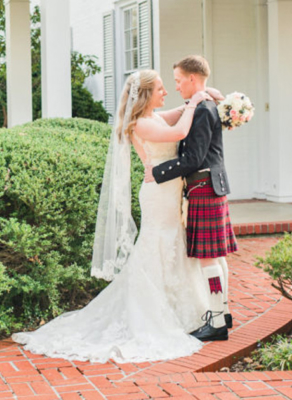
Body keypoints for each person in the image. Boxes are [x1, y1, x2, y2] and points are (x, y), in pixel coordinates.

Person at [12, 69, 218, 364]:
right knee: (158, 244)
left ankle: (181, 309)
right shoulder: (140, 124)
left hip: (169, 192)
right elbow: (180, 132)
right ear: (146, 94)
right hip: (158, 195)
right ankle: (153, 311)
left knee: (172, 242)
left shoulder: (154, 116)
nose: (165, 92)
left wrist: (205, 96)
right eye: (160, 88)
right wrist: (196, 98)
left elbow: (180, 112)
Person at [145, 55, 238, 342]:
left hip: (203, 187)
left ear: (192, 79)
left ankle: (218, 322)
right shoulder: (207, 105)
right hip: (213, 185)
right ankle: (222, 311)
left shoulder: (201, 111)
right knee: (217, 256)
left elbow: (192, 158)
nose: (176, 87)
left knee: (208, 259)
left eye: (178, 81)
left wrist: (157, 172)